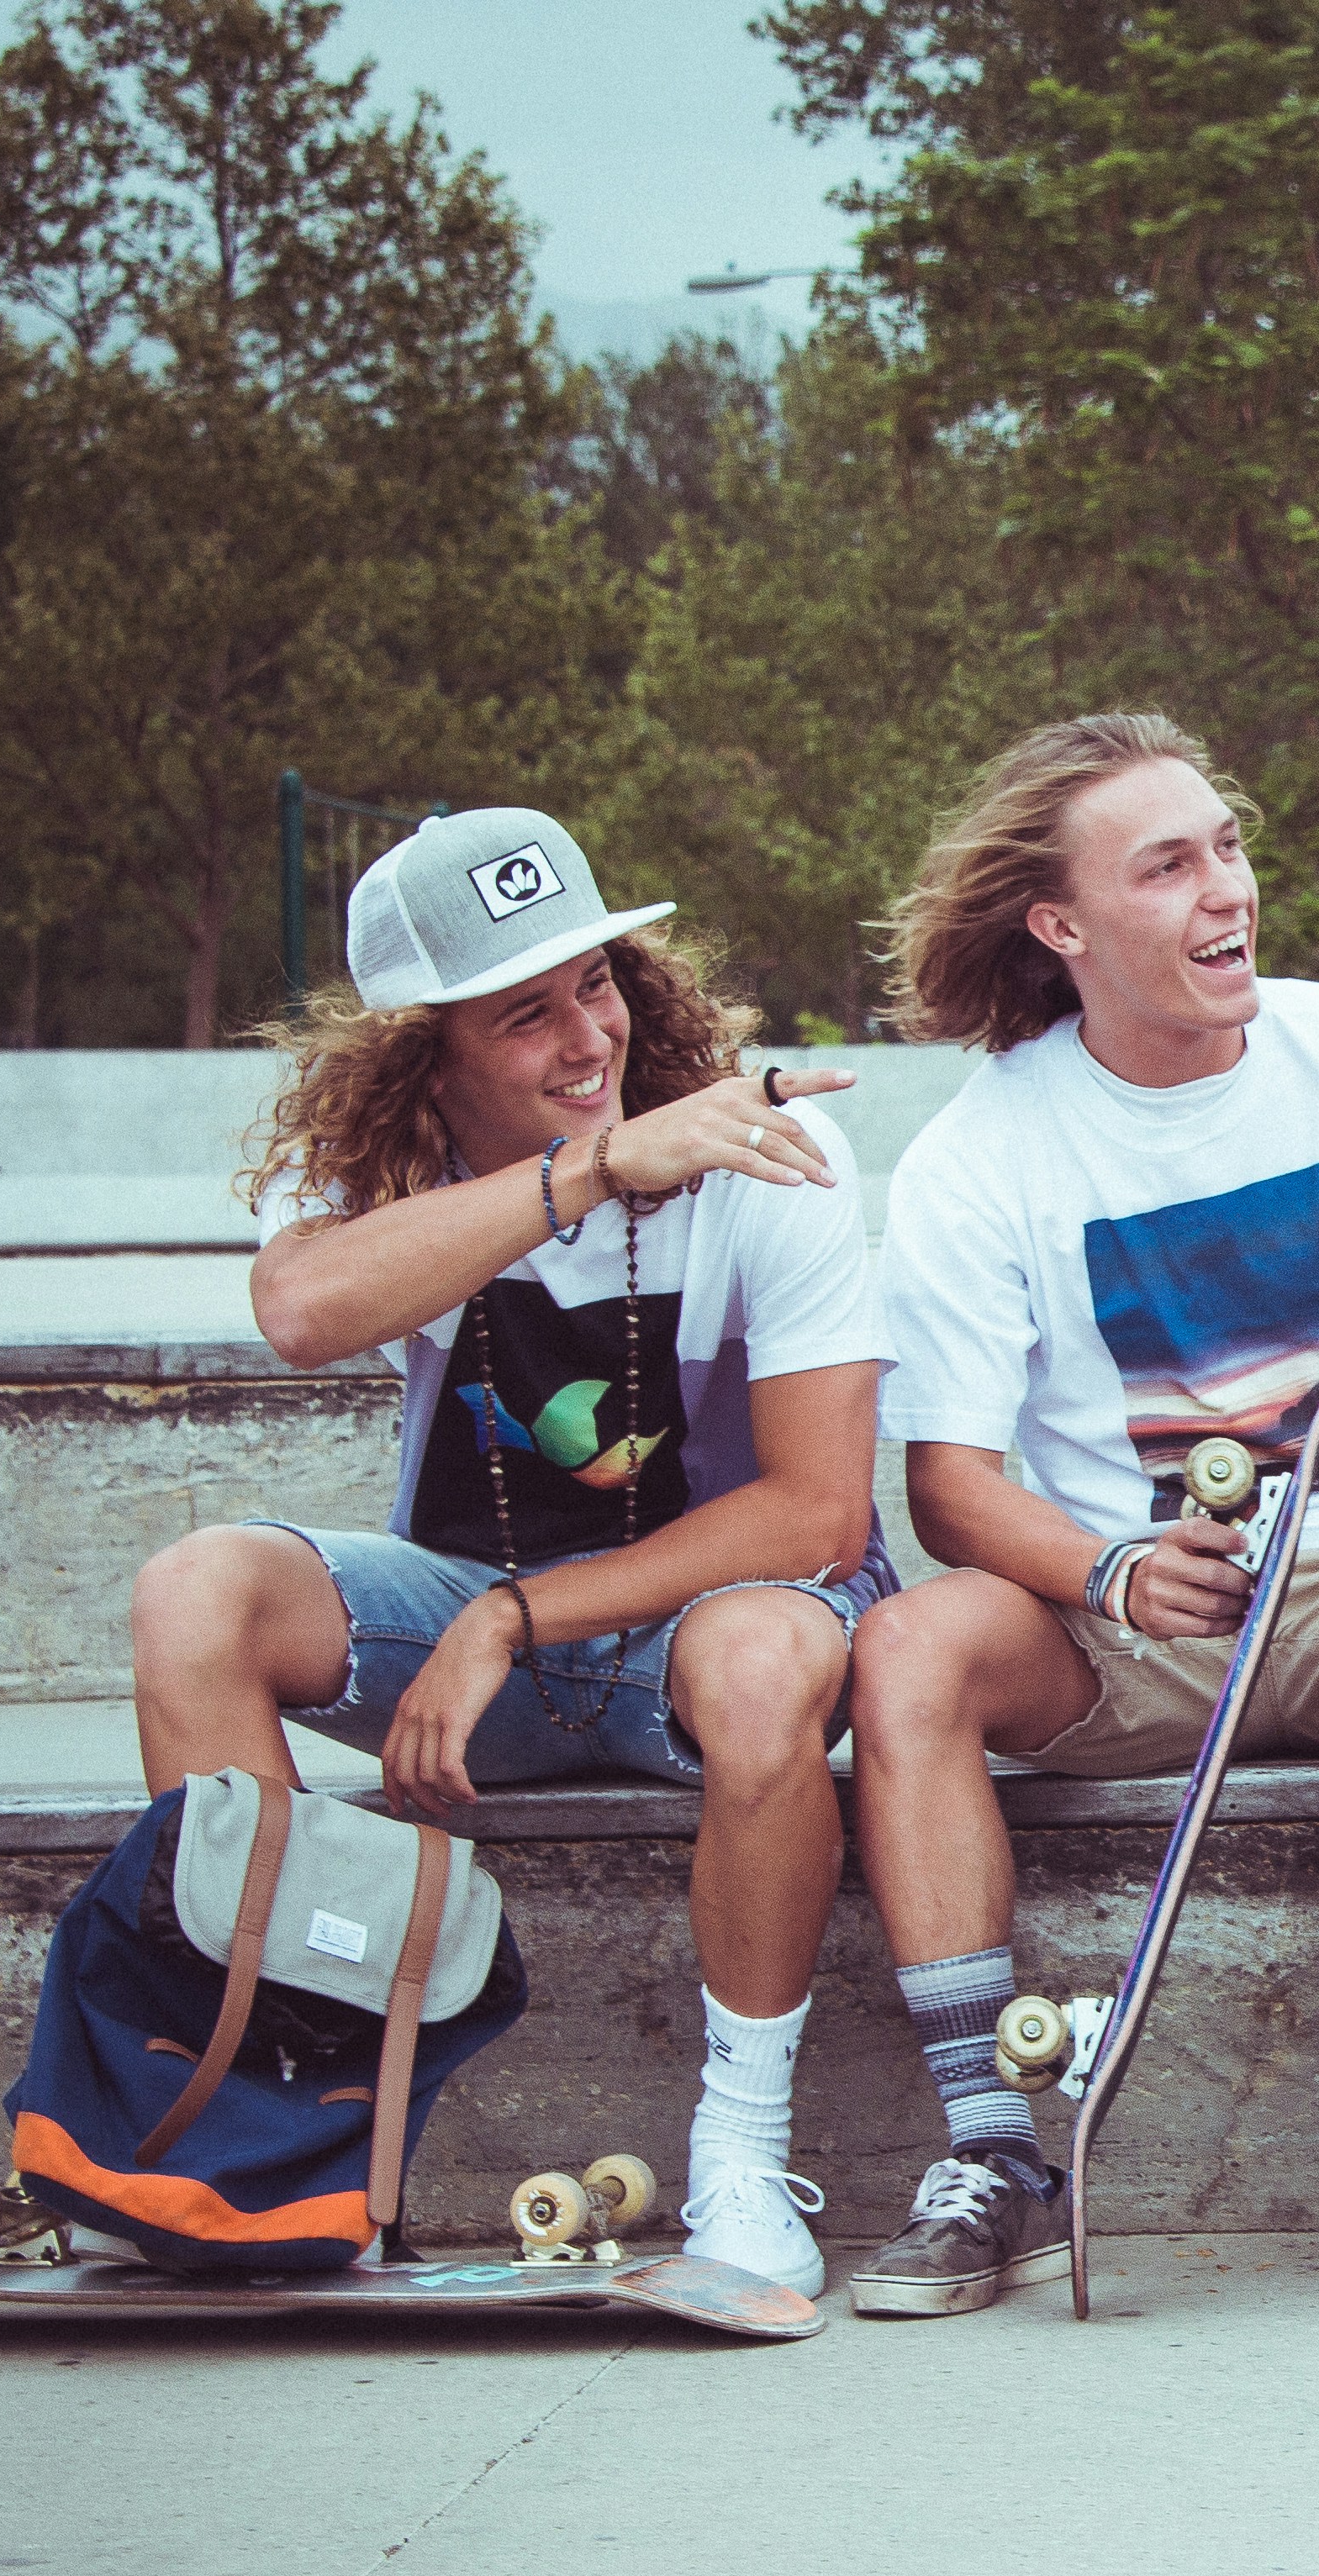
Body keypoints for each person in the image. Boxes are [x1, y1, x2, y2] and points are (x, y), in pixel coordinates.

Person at [841, 714, 1319, 2319]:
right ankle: (995, 2152)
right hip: (1135, 1615)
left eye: (1228, 849)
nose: (1223, 892)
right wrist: (1109, 1568)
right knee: (907, 1649)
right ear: (1064, 927)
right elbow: (948, 1489)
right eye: (1168, 866)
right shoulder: (982, 1154)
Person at [131, 808, 894, 2298]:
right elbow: (300, 1312)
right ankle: (288, 2122)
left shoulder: (765, 1147)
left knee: (755, 1653)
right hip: (474, 1636)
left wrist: (511, 1622)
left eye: (596, 983)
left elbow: (819, 1515)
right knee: (195, 1592)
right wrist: (590, 1173)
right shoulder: (385, 1162)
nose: (584, 1037)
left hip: (717, 1621)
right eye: (522, 1013)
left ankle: (739, 2159)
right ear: (425, 1050)